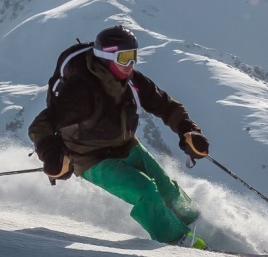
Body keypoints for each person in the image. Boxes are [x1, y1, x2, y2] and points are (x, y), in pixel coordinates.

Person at [29, 25, 211, 249]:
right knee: (146, 191)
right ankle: (180, 245)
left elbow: (165, 105)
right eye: (124, 58)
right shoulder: (81, 92)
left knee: (167, 188)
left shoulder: (131, 81)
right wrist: (51, 154)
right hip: (90, 158)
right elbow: (41, 124)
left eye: (133, 57)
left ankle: (200, 228)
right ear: (106, 57)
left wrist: (187, 129)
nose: (131, 64)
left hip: (125, 145)